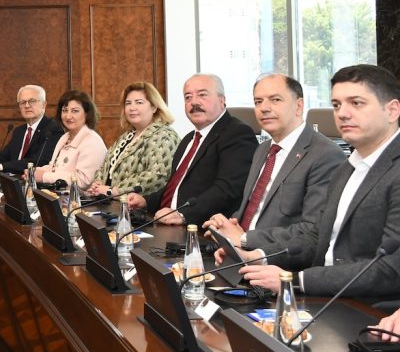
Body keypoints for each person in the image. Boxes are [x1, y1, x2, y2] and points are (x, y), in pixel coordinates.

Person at [238, 64, 400, 298]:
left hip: (368, 307)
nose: (342, 113)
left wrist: (296, 281)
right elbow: (317, 237)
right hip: (324, 295)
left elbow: (390, 270)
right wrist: (259, 256)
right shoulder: (347, 168)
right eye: (336, 105)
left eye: (356, 103)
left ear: (392, 110)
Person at [204, 73, 345, 249]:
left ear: (299, 106)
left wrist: (245, 238)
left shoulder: (325, 155)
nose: (264, 108)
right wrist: (227, 227)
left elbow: (312, 230)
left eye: (275, 100)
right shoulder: (262, 149)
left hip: (277, 259)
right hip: (238, 252)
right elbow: (253, 210)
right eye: (258, 101)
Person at [126, 74, 257, 226]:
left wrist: (183, 215)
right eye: (188, 97)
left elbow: (227, 190)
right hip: (166, 223)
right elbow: (176, 187)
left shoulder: (237, 134)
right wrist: (146, 201)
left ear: (222, 100)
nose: (194, 102)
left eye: (202, 95)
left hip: (202, 229)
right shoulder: (189, 139)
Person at [89, 82, 178, 197]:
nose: (132, 108)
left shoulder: (165, 136)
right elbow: (105, 166)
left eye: (139, 102)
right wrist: (98, 184)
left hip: (142, 205)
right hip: (110, 202)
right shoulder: (127, 136)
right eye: (128, 103)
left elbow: (158, 176)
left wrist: (114, 190)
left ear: (154, 107)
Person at [0, 85, 62, 175]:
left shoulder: (53, 129)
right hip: (12, 180)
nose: (27, 105)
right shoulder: (19, 131)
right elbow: (5, 155)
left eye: (32, 101)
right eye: (22, 102)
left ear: (44, 105)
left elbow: (39, 161)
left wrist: (0, 167)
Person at [35, 90, 106, 190]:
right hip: (59, 195)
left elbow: (84, 181)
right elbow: (54, 168)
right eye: (65, 110)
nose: (68, 116)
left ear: (87, 113)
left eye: (75, 111)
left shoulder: (92, 142)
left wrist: (44, 177)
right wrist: (35, 171)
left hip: (81, 198)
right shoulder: (64, 137)